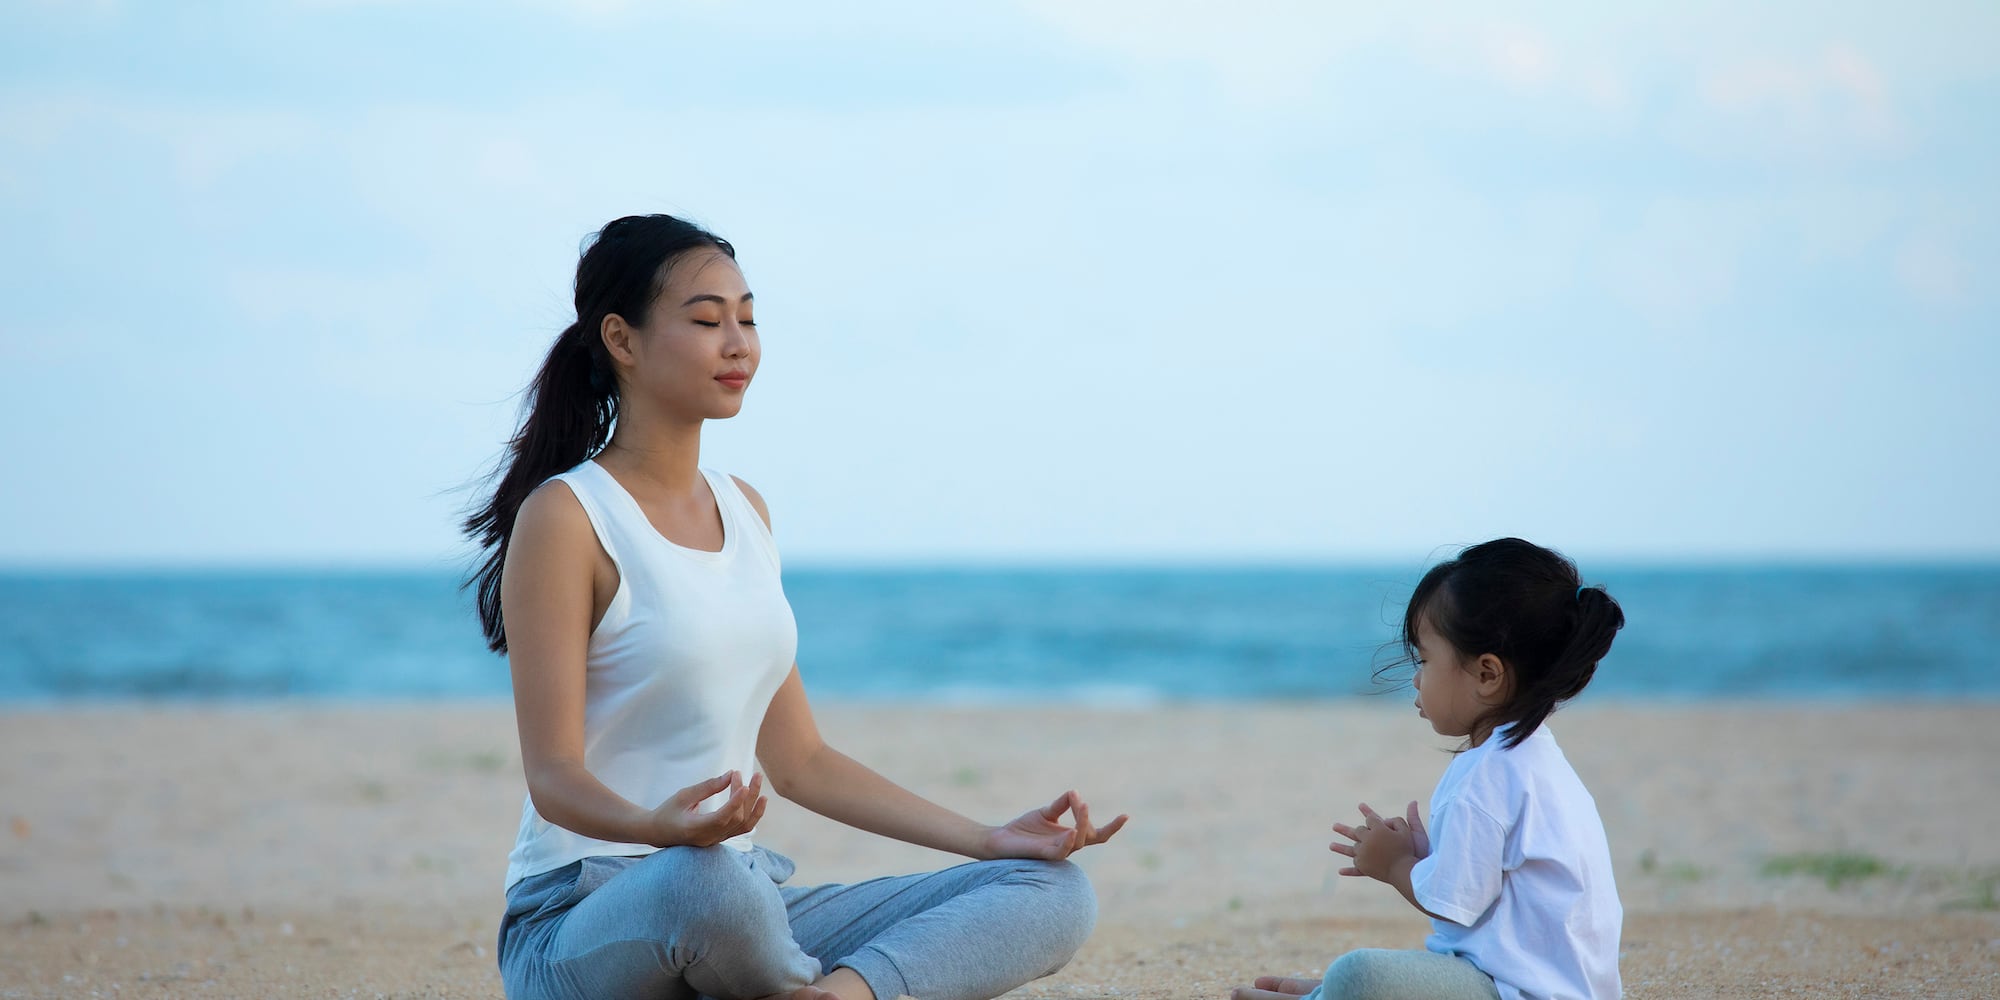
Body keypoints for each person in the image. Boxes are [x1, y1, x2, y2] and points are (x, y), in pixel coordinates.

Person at [463, 214, 1127, 1000]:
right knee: (708, 885)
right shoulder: (569, 516)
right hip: (584, 920)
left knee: (1052, 893)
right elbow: (554, 776)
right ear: (622, 339)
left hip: (744, 909)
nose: (738, 342)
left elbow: (803, 762)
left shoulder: (745, 511)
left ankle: (834, 996)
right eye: (708, 320)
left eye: (747, 317)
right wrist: (662, 831)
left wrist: (988, 838)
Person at [1233, 538, 1625, 1000]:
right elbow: (1493, 883)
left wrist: (1395, 863)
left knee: (1359, 974)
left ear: (1487, 674)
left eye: (1424, 659)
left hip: (1514, 992)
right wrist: (1430, 854)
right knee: (1365, 980)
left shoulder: (1487, 774)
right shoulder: (1537, 760)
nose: (1417, 678)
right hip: (1559, 988)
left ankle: (1326, 997)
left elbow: (1455, 904)